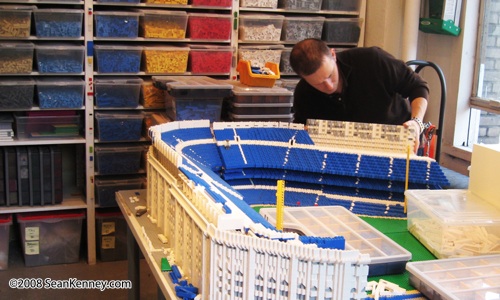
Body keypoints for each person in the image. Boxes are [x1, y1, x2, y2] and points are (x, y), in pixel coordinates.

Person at [289, 38, 429, 153]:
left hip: (396, 145)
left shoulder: (372, 60)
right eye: (318, 84)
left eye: (330, 75)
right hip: (343, 155)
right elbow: (302, 131)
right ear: (303, 78)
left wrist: (417, 122)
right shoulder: (304, 93)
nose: (329, 86)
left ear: (333, 55)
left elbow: (417, 86)